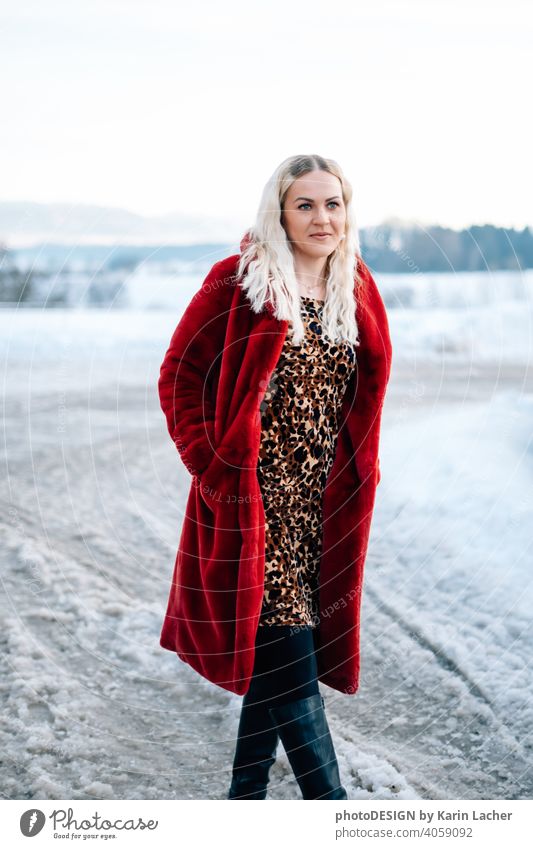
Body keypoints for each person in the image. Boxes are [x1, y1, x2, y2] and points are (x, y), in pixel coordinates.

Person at [157, 153, 393, 800]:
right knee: (290, 667)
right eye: (305, 205)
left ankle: (244, 802)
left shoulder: (358, 289)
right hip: (252, 509)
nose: (322, 218)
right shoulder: (239, 282)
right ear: (280, 214)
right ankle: (332, 811)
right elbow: (178, 375)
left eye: (333, 204)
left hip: (322, 515)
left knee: (276, 666)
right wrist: (214, 466)